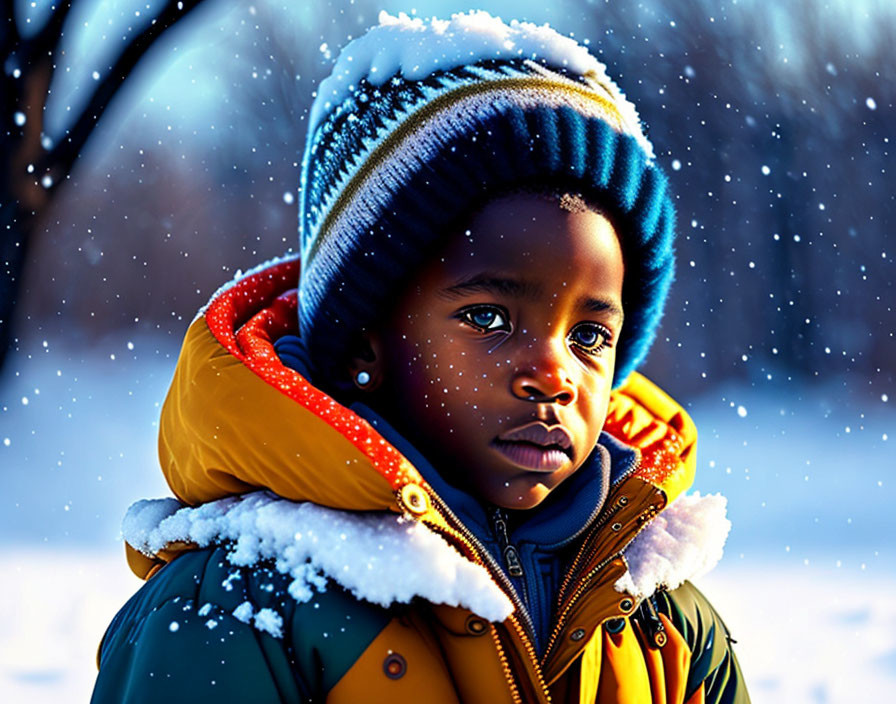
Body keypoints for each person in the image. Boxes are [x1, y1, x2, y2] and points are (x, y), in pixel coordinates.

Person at [92, 11, 749, 703]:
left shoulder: (659, 624)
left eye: (589, 336)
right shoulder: (238, 611)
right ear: (365, 346)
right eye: (489, 317)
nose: (554, 374)